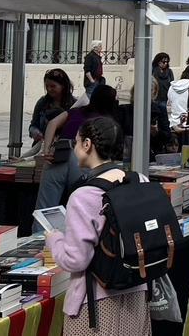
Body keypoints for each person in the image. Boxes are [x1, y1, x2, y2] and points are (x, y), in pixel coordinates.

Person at [44, 117, 150, 334]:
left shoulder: (84, 196)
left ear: (87, 144)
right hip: (137, 291)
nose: (74, 148)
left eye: (76, 142)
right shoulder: (139, 180)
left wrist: (54, 240)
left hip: (96, 302)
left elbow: (76, 260)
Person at [38, 84, 123, 211]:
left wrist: (46, 150)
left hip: (59, 152)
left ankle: (40, 225)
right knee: (79, 204)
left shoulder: (76, 111)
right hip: (83, 155)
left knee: (45, 207)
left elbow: (52, 123)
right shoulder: (105, 121)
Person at [29, 69, 77, 146]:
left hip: (65, 146)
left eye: (53, 86)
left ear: (63, 86)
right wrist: (35, 132)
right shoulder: (42, 103)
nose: (49, 89)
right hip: (42, 145)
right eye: (47, 86)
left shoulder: (74, 105)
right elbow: (33, 125)